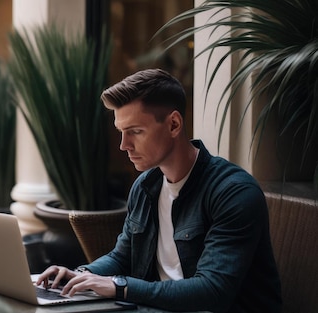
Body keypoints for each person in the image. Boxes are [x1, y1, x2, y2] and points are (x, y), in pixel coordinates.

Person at [36, 69, 282, 313]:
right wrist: (82, 274)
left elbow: (213, 290)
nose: (124, 145)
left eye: (135, 131)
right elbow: (123, 257)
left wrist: (119, 286)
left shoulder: (233, 192)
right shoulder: (145, 187)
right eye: (121, 132)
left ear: (174, 124)